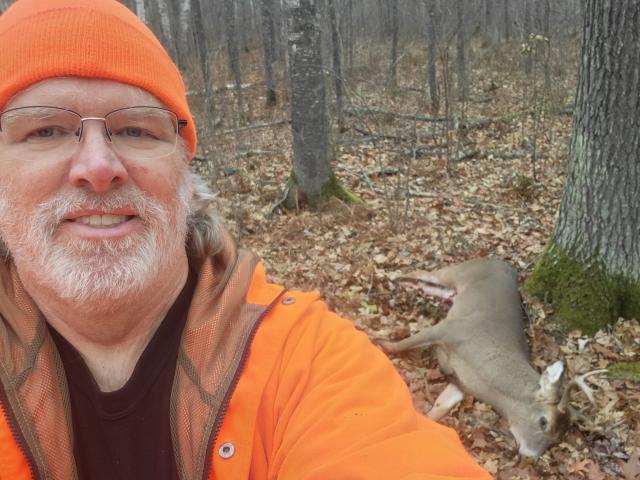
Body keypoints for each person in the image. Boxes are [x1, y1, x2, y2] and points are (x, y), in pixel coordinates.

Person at [0, 1, 492, 479]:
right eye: (45, 131)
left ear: (184, 171)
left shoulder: (302, 360)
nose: (98, 167)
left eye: (135, 129)